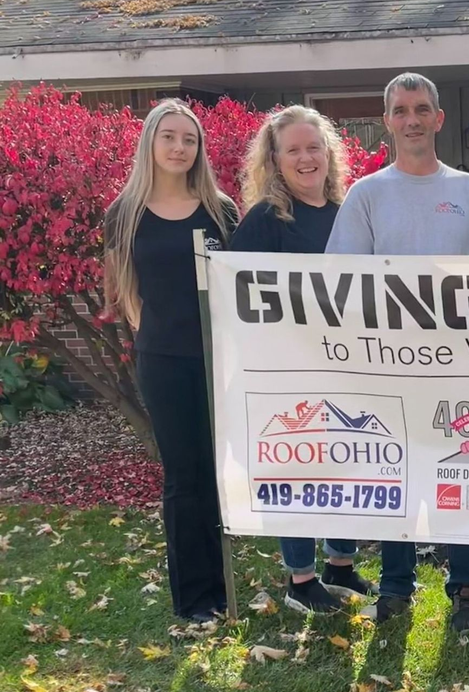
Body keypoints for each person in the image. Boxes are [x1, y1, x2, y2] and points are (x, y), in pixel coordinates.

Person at [325, 72, 469, 631]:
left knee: (461, 475)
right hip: (389, 367)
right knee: (395, 478)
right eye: (401, 110)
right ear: (388, 120)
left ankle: (465, 588)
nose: (412, 118)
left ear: (439, 118)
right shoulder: (366, 194)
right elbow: (341, 281)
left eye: (422, 108)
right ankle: (396, 588)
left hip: (463, 366)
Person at [231, 105, 378, 614]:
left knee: (348, 464)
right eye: (292, 149)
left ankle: (341, 564)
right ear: (275, 159)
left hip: (348, 365)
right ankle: (300, 579)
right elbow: (241, 299)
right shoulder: (265, 220)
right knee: (298, 470)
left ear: (329, 152)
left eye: (313, 147)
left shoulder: (347, 211)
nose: (305, 157)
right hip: (288, 372)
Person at [103, 99, 238, 623]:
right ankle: (193, 598)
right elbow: (125, 287)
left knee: (214, 473)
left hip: (218, 362)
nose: (180, 147)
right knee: (183, 477)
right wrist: (153, 332)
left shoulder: (219, 208)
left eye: (189, 139)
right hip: (163, 360)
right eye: (170, 137)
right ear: (151, 144)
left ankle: (222, 585)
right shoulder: (125, 212)